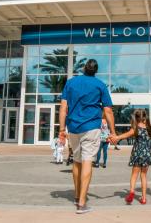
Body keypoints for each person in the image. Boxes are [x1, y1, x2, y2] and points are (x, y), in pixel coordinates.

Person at [59, 59, 117, 214]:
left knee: (76, 162)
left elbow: (63, 108)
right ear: (96, 70)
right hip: (91, 127)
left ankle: (78, 196)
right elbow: (108, 111)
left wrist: (61, 130)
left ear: (84, 68)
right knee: (87, 162)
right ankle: (82, 203)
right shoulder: (100, 85)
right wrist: (113, 132)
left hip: (73, 128)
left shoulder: (71, 83)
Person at [114, 109, 151, 205]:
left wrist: (116, 137)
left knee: (134, 175)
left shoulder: (135, 129)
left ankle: (131, 191)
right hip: (147, 154)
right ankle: (144, 198)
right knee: (143, 176)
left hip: (137, 154)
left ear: (136, 118)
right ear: (145, 117)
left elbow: (124, 136)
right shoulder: (148, 129)